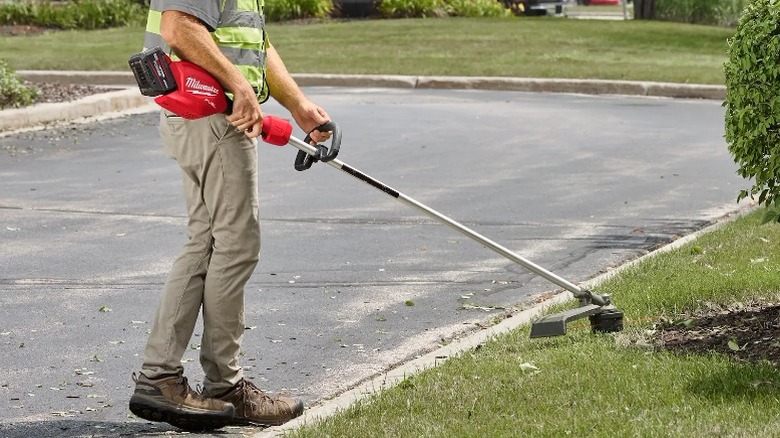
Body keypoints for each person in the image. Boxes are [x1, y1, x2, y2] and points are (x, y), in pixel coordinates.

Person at [128, 0, 331, 431]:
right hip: (215, 116)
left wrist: (298, 105)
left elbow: (252, 44)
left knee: (207, 241)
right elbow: (179, 28)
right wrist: (238, 86)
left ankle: (167, 377)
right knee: (234, 244)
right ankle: (216, 384)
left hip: (213, 115)